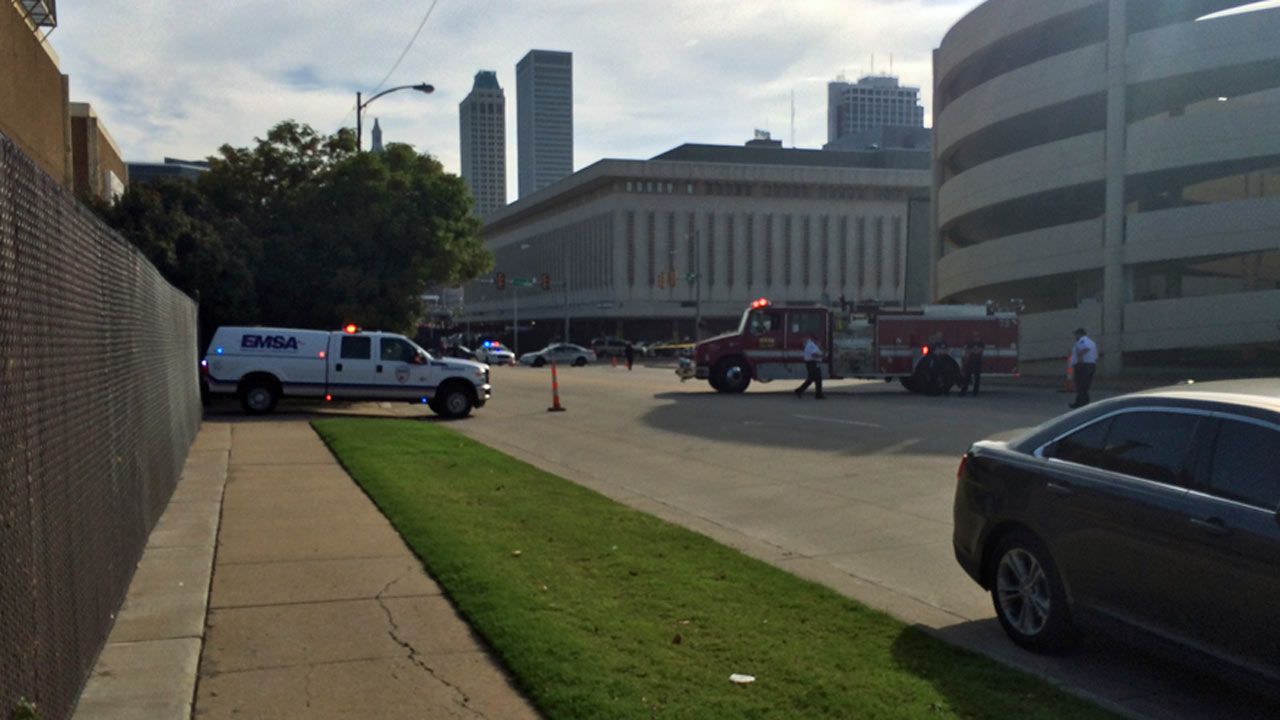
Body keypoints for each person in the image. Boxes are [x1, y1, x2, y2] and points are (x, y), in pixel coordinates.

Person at [1069, 327, 1098, 408]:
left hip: (1084, 365)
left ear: (1079, 334)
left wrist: (1079, 357)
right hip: (1091, 365)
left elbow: (1086, 348)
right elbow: (1095, 356)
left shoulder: (1082, 340)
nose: (1075, 336)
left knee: (1080, 385)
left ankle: (1082, 404)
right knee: (1084, 386)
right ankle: (1082, 402)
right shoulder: (1092, 342)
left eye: (1076, 334)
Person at [794, 333, 825, 399]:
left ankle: (818, 394)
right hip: (813, 364)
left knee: (814, 379)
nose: (818, 341)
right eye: (816, 339)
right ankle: (800, 391)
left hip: (813, 364)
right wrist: (822, 356)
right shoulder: (811, 345)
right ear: (813, 339)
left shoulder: (811, 344)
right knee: (814, 379)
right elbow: (813, 354)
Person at [958, 332, 985, 396]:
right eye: (975, 337)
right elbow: (967, 351)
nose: (976, 338)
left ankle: (975, 392)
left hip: (978, 362)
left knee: (977, 378)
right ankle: (963, 391)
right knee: (967, 377)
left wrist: (972, 351)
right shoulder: (969, 343)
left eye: (977, 337)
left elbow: (979, 351)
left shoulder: (981, 343)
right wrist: (974, 351)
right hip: (970, 362)